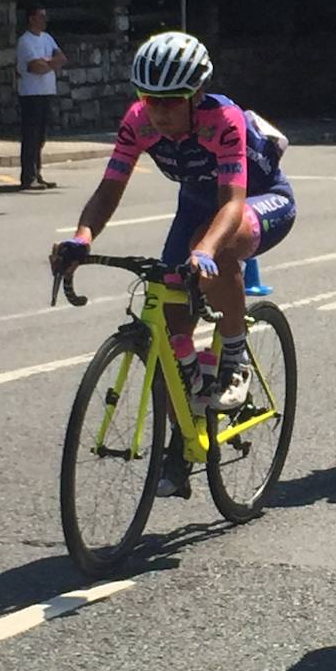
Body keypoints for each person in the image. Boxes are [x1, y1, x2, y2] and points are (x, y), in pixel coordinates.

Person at [50, 31, 295, 497]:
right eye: (149, 99)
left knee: (216, 249)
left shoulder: (222, 119)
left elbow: (231, 203)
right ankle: (185, 438)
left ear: (195, 95)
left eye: (171, 101)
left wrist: (202, 253)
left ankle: (234, 358)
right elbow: (109, 189)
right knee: (167, 313)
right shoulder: (138, 121)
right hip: (196, 204)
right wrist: (81, 237)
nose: (158, 111)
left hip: (257, 202)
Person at [15, 4, 67, 190]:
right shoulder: (25, 41)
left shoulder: (47, 38)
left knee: (41, 137)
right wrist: (48, 64)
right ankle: (28, 177)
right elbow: (35, 67)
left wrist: (47, 63)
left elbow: (61, 58)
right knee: (31, 135)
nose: (44, 20)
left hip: (46, 92)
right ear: (31, 18)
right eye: (41, 16)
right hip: (31, 93)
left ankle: (37, 173)